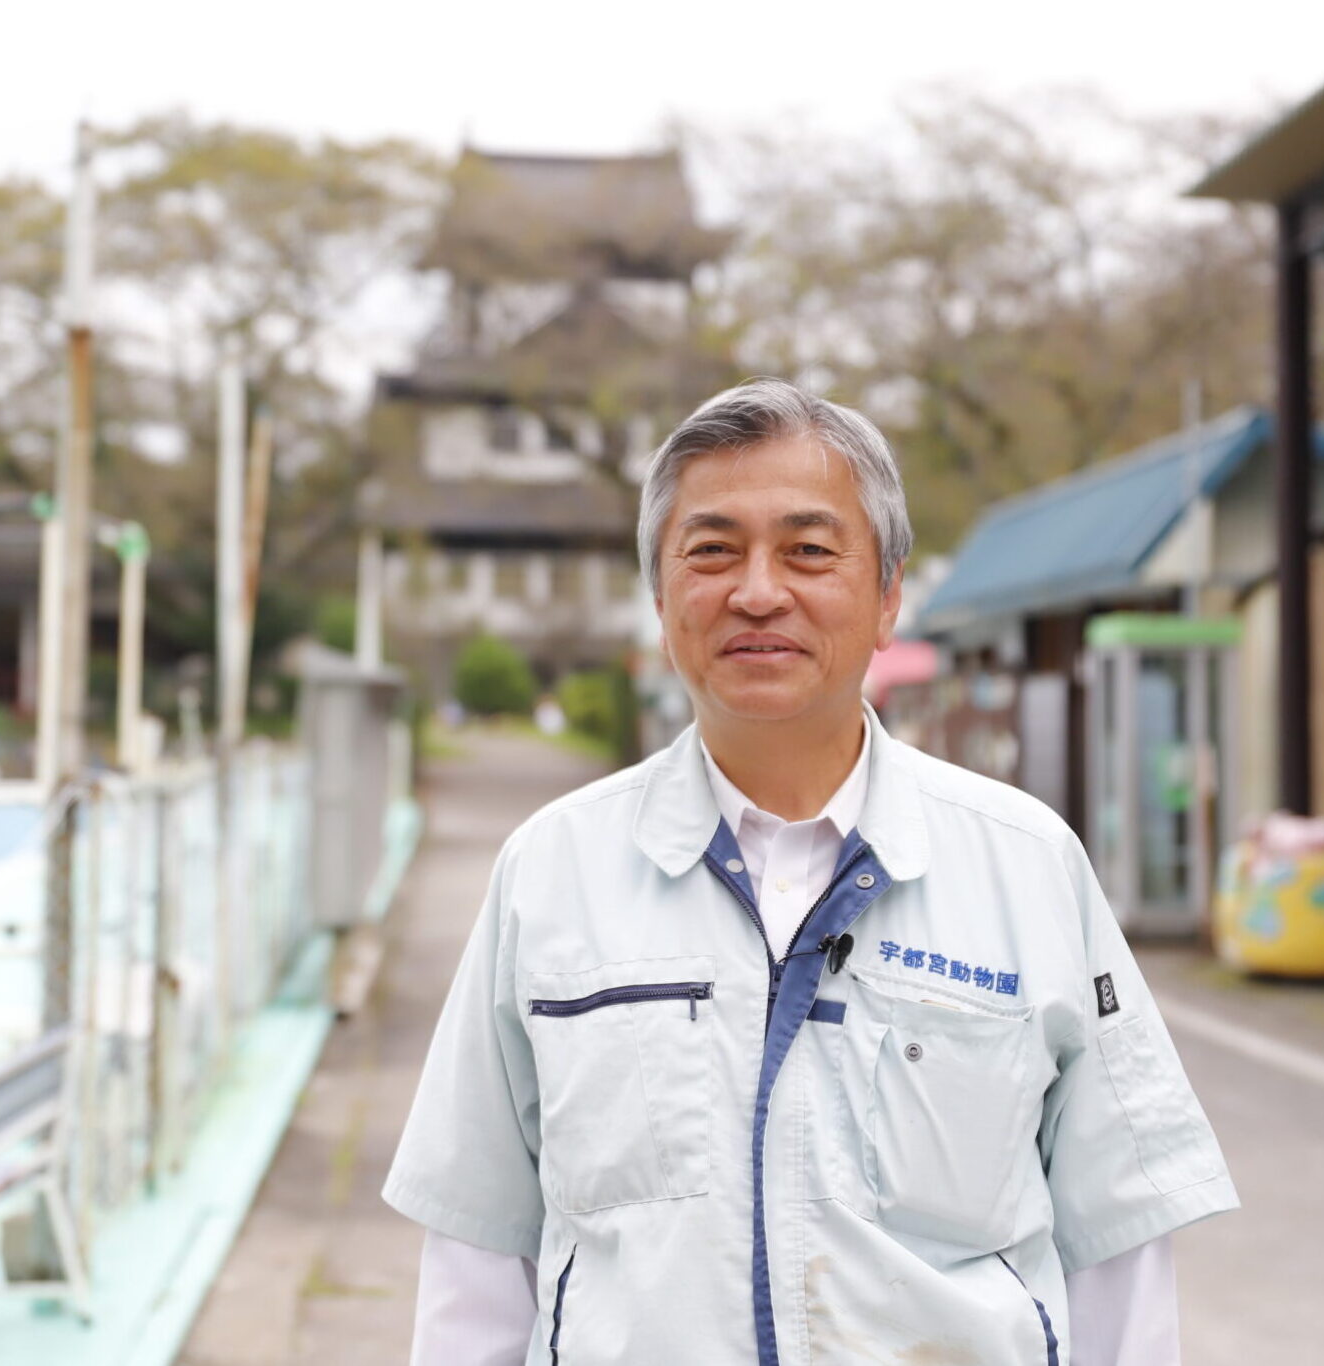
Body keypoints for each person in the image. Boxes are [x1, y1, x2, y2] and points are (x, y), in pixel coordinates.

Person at [384, 378, 1238, 1365]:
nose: (757, 590)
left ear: (886, 599)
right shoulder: (551, 872)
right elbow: (477, 1258)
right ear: (662, 604)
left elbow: (1118, 1253)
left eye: (808, 550)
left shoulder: (1027, 865)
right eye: (712, 550)